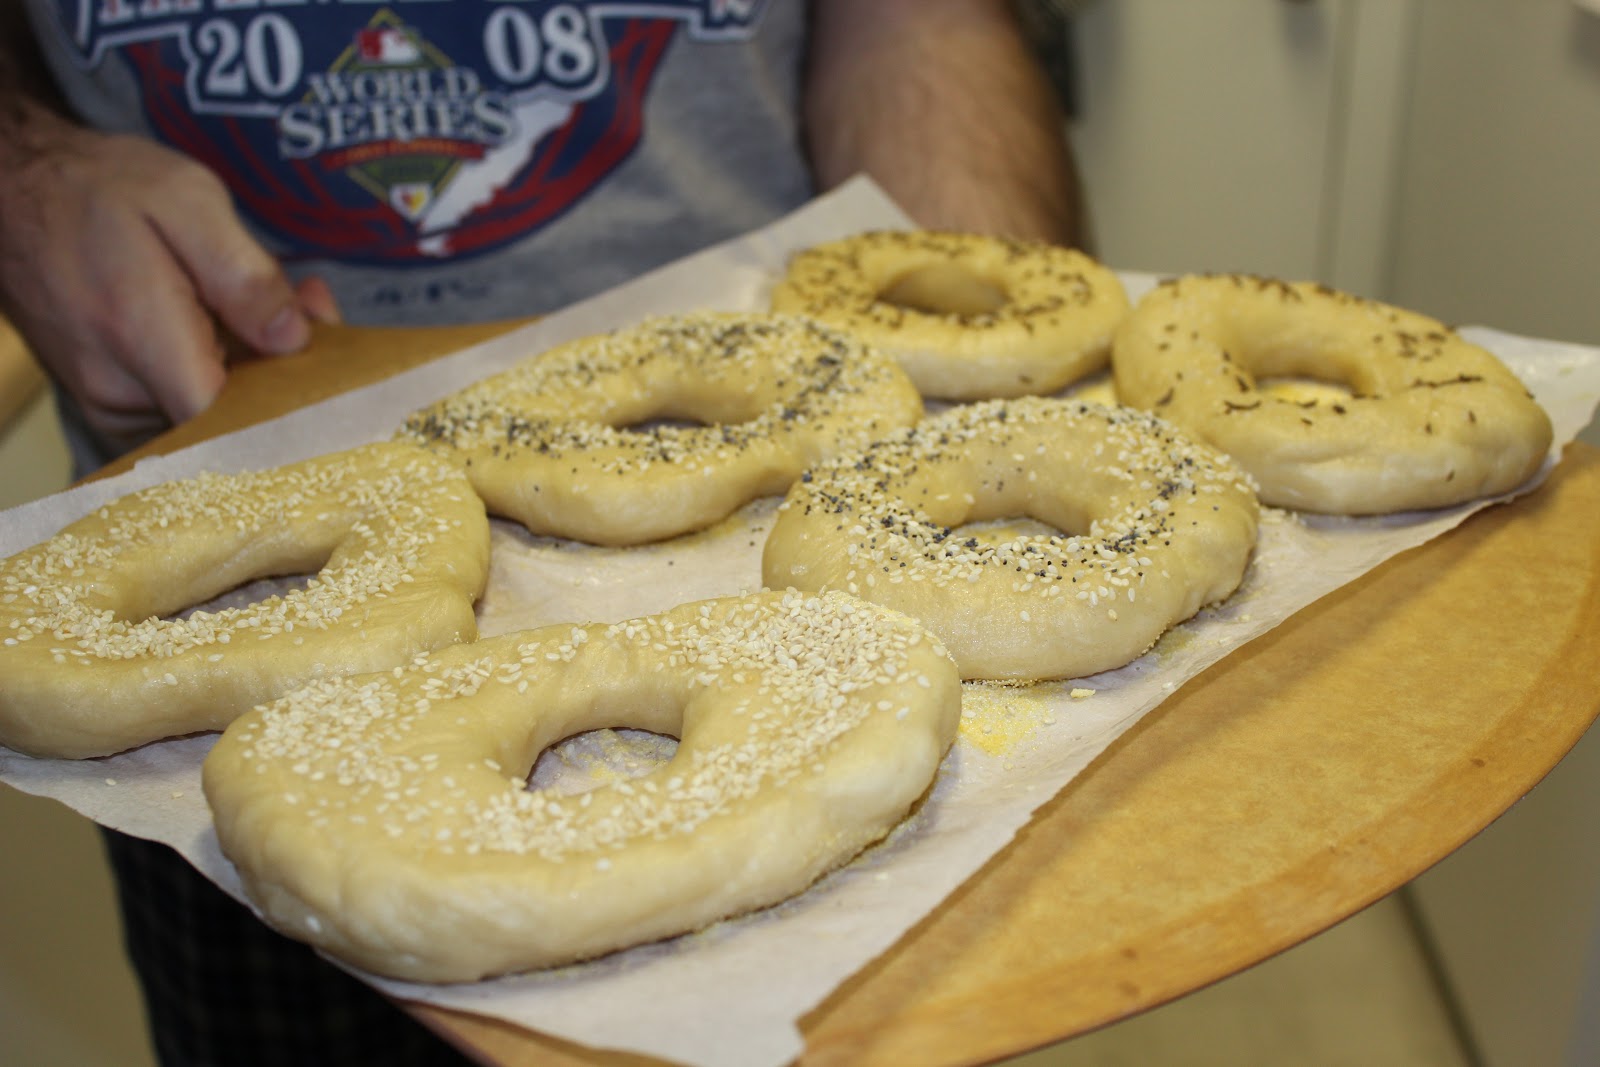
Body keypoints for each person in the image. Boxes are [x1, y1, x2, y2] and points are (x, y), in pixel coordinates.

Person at [0, 2, 1085, 1064]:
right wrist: (23, 167)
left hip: (764, 329)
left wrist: (986, 385)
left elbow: (912, 21)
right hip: (205, 445)